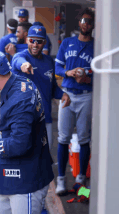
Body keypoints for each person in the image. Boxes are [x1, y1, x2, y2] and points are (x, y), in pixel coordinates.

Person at [0, 50, 54, 214]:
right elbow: (11, 116)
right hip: (11, 176)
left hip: (26, 179)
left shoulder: (20, 97)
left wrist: (0, 142)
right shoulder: (17, 82)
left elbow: (18, 144)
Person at [54, 8, 94, 195]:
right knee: (63, 138)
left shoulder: (97, 46)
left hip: (86, 94)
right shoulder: (68, 42)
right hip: (67, 93)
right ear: (79, 23)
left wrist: (88, 77)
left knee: (84, 138)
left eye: (90, 21)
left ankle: (80, 182)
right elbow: (58, 66)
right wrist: (68, 73)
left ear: (93, 25)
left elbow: (99, 72)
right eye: (84, 20)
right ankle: (61, 180)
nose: (86, 24)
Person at [12, 25, 70, 151]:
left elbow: (52, 87)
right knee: (24, 156)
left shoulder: (49, 61)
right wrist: (24, 65)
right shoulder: (21, 57)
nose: (35, 44)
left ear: (44, 42)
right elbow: (17, 61)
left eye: (39, 41)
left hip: (45, 117)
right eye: (32, 40)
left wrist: (63, 94)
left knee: (43, 156)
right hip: (24, 118)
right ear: (27, 40)